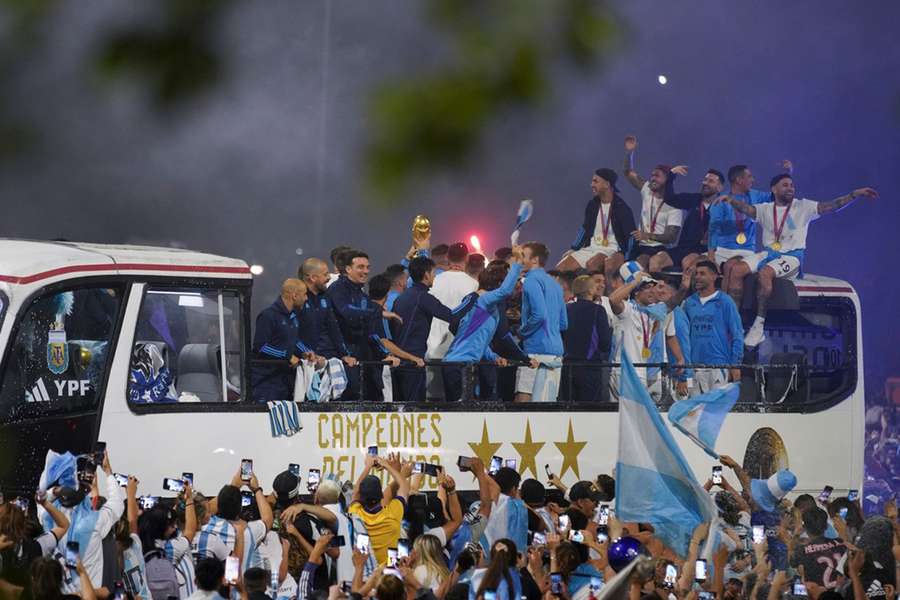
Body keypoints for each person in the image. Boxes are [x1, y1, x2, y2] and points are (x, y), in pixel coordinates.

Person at [723, 174, 878, 346]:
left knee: (765, 273)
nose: (790, 188)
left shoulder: (803, 206)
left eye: (792, 185)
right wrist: (730, 200)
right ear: (774, 189)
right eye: (785, 185)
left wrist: (854, 194)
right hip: (769, 253)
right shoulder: (766, 208)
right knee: (736, 270)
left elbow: (831, 206)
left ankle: (758, 327)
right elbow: (748, 209)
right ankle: (735, 325)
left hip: (792, 257)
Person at [442, 250, 526, 402]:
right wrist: (517, 264)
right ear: (500, 284)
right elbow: (505, 291)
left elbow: (480, 342)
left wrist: (495, 357)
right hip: (458, 367)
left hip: (464, 367)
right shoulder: (484, 301)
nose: (517, 286)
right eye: (514, 282)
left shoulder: (491, 309)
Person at [711, 163, 789, 306]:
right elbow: (713, 229)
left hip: (745, 250)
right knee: (695, 265)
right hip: (722, 250)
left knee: (730, 266)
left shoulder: (755, 195)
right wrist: (711, 256)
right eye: (749, 177)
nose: (752, 180)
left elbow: (776, 195)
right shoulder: (721, 200)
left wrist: (786, 174)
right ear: (739, 180)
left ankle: (729, 312)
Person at [327, 250, 400, 399]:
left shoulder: (362, 297)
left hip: (363, 361)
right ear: (348, 269)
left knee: (375, 397)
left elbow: (371, 332)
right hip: (343, 360)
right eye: (360, 267)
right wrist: (377, 311)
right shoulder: (337, 289)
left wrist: (385, 354)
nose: (365, 271)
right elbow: (346, 311)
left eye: (367, 267)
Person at [607, 267, 685, 399]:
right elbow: (613, 299)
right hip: (624, 372)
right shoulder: (628, 309)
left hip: (642, 371)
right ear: (636, 292)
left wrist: (684, 287)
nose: (652, 291)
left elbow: (672, 303)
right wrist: (635, 282)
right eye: (647, 287)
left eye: (653, 288)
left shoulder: (652, 313)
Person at [391, 256, 453, 402]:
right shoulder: (423, 297)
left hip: (398, 361)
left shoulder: (401, 297)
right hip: (414, 362)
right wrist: (473, 299)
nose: (434, 277)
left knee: (399, 409)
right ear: (426, 275)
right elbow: (451, 316)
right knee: (414, 409)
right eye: (433, 273)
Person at [558, 168, 636, 279]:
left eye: (595, 181)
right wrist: (574, 248)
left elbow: (631, 236)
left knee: (592, 264)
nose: (591, 184)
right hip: (591, 248)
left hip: (612, 250)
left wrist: (628, 258)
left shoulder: (622, 208)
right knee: (561, 268)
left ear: (607, 184)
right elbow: (584, 229)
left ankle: (600, 295)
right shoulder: (592, 205)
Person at [515, 242, 568, 403]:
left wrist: (522, 332)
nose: (520, 259)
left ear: (535, 260)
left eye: (523, 255)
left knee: (524, 399)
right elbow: (564, 323)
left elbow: (539, 315)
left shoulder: (530, 281)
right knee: (547, 406)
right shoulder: (556, 285)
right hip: (556, 352)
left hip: (535, 350)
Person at [622, 136, 683, 272]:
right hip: (639, 244)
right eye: (652, 175)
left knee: (638, 266)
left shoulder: (675, 205)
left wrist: (647, 235)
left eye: (657, 176)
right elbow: (628, 172)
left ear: (667, 180)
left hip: (658, 248)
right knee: (622, 267)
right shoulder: (647, 190)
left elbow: (671, 237)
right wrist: (629, 152)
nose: (652, 178)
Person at [681, 261, 743, 392]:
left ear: (714, 276)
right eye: (696, 274)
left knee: (716, 411)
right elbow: (683, 336)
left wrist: (735, 365)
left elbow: (737, 334)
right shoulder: (689, 303)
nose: (697, 277)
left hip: (718, 365)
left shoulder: (725, 301)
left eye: (702, 274)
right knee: (695, 411)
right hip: (694, 367)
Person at [426, 242, 478, 400]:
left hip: (433, 347)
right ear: (467, 258)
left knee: (432, 402)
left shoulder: (435, 280)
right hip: (458, 351)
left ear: (447, 257)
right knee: (457, 403)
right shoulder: (473, 284)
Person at [251, 278, 309, 403]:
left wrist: (307, 352)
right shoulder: (268, 316)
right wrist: (287, 356)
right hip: (266, 382)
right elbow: (260, 346)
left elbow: (293, 339)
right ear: (294, 295)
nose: (306, 298)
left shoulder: (293, 316)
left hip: (285, 379)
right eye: (304, 294)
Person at [347, 455, 409, 565]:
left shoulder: (356, 514)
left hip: (367, 573)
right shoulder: (392, 513)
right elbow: (403, 486)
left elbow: (355, 493)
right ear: (381, 495)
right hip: (390, 574)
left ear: (361, 497)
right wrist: (387, 466)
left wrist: (368, 466)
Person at [662, 167, 726, 271]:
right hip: (683, 248)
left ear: (719, 188)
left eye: (711, 181)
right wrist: (672, 174)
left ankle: (684, 286)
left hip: (703, 251)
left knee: (687, 262)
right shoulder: (693, 199)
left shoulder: (724, 207)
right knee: (656, 261)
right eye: (705, 180)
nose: (705, 183)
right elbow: (670, 199)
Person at [298, 258, 356, 369]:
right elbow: (291, 333)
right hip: (304, 361)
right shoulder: (298, 297)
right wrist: (306, 353)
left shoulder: (325, 296)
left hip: (325, 357)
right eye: (325, 275)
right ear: (313, 278)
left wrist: (344, 354)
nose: (329, 278)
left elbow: (333, 328)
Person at [561, 275, 611, 402]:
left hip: (567, 367)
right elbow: (605, 343)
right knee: (589, 409)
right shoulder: (598, 310)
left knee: (569, 409)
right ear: (590, 291)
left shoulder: (566, 309)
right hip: (589, 367)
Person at [789, 507, 847, 590]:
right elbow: (848, 547)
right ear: (826, 526)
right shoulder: (840, 543)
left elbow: (791, 560)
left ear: (804, 527)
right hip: (839, 594)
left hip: (816, 594)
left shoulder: (802, 550)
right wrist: (843, 532)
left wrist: (795, 535)